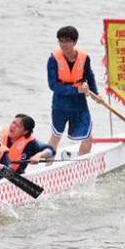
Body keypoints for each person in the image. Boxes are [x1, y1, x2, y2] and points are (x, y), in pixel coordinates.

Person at [48, 25, 98, 156]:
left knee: (88, 138)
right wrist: (76, 90)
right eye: (61, 41)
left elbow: (89, 75)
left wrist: (96, 94)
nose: (63, 44)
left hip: (79, 103)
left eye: (67, 41)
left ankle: (80, 165)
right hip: (60, 103)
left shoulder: (84, 58)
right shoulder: (53, 59)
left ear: (74, 42)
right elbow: (53, 85)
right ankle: (48, 167)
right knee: (56, 136)